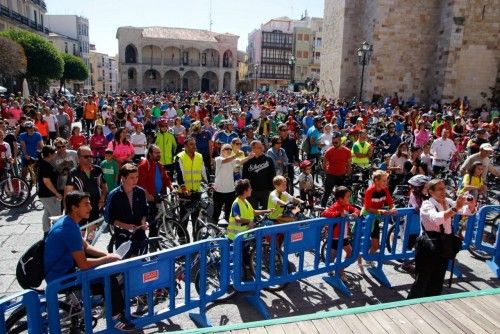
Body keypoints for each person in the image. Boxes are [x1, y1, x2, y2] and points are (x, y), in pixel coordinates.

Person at [44, 191, 135, 332]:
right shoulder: (68, 229)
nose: (91, 208)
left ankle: (107, 304)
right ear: (74, 208)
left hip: (60, 269)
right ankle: (116, 317)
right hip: (61, 277)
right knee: (109, 278)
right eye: (86, 204)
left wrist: (109, 255)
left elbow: (86, 246)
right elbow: (84, 265)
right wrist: (106, 259)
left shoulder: (68, 221)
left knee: (105, 272)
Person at [408, 179, 475, 299]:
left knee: (438, 278)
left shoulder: (447, 201)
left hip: (444, 244)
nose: (443, 191)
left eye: (444, 188)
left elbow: (467, 211)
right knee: (422, 280)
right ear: (430, 192)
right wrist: (455, 208)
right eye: (439, 189)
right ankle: (411, 306)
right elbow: (437, 218)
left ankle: (433, 303)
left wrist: (470, 203)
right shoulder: (427, 204)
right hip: (428, 246)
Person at [227, 179, 272, 280]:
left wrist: (266, 211)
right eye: (250, 188)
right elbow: (237, 218)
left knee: (245, 255)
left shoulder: (245, 201)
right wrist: (248, 221)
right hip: (235, 237)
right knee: (238, 257)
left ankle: (247, 273)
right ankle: (237, 278)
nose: (252, 189)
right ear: (245, 190)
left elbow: (253, 212)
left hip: (244, 235)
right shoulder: (236, 203)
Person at [65, 146, 108, 240]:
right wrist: (68, 211)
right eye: (86, 156)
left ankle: (89, 249)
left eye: (91, 156)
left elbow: (104, 186)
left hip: (95, 206)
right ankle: (80, 250)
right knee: (80, 234)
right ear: (79, 158)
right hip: (80, 208)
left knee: (91, 235)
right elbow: (67, 193)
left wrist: (103, 198)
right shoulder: (74, 173)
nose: (89, 158)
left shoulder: (98, 170)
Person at [106, 163, 149, 257]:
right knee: (125, 265)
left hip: (140, 235)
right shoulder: (114, 195)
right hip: (122, 236)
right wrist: (126, 226)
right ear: (123, 178)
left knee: (142, 263)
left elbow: (145, 211)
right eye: (132, 178)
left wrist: (144, 222)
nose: (135, 180)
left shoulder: (140, 192)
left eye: (137, 177)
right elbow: (108, 218)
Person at [358, 170, 396, 273]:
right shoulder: (370, 190)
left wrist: (393, 208)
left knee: (375, 245)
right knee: (360, 243)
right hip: (366, 217)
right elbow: (368, 208)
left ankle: (369, 259)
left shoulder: (385, 189)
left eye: (386, 180)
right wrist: (381, 211)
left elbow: (390, 202)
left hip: (375, 218)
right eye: (384, 180)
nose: (386, 182)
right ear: (376, 180)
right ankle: (359, 263)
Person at [321, 186, 360, 281]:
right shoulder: (336, 205)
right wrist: (338, 214)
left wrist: (355, 213)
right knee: (334, 256)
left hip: (344, 235)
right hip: (335, 236)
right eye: (347, 197)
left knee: (350, 253)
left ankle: (340, 268)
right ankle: (335, 271)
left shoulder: (347, 205)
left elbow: (355, 209)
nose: (349, 198)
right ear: (340, 199)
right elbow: (324, 213)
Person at [212, 144, 253, 224]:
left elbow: (240, 161)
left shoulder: (232, 160)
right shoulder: (218, 159)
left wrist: (249, 157)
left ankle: (228, 232)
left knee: (229, 214)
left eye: (230, 149)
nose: (229, 150)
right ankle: (213, 230)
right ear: (222, 150)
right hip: (218, 191)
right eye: (227, 149)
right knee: (216, 213)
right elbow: (225, 161)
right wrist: (235, 156)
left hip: (230, 191)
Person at [137, 145, 172, 238]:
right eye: (156, 153)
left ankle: (155, 238)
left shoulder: (159, 165)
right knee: (150, 220)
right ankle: (149, 241)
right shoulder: (144, 165)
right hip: (148, 198)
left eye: (159, 152)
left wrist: (171, 186)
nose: (159, 154)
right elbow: (140, 183)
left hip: (159, 196)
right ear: (150, 153)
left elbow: (166, 178)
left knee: (157, 218)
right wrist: (147, 195)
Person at [174, 136, 207, 233]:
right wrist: (184, 188)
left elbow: (203, 171)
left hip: (196, 191)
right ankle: (182, 238)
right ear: (185, 146)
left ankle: (196, 237)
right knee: (184, 217)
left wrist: (209, 183)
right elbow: (179, 175)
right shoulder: (179, 157)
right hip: (185, 193)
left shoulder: (199, 156)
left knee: (196, 218)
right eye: (191, 144)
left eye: (194, 144)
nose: (194, 146)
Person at [242, 140, 276, 210]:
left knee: (267, 211)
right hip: (252, 191)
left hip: (266, 190)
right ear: (252, 148)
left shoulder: (268, 159)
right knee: (252, 212)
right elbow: (244, 177)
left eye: (260, 147)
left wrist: (272, 189)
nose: (258, 149)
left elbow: (273, 174)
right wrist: (246, 189)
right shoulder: (247, 160)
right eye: (255, 147)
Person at [321, 132, 352, 207]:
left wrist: (347, 175)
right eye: (333, 142)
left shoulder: (347, 151)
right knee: (326, 194)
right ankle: (322, 210)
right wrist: (327, 174)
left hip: (341, 176)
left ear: (340, 141)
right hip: (331, 175)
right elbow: (324, 164)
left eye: (336, 142)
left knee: (342, 195)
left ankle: (340, 209)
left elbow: (349, 165)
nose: (334, 144)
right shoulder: (329, 151)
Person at [37, 145, 62, 235]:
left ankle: (46, 231)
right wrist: (56, 193)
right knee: (56, 216)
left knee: (47, 213)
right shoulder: (45, 165)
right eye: (54, 152)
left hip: (45, 194)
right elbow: (47, 181)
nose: (56, 154)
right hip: (48, 194)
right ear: (50, 154)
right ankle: (56, 234)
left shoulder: (45, 163)